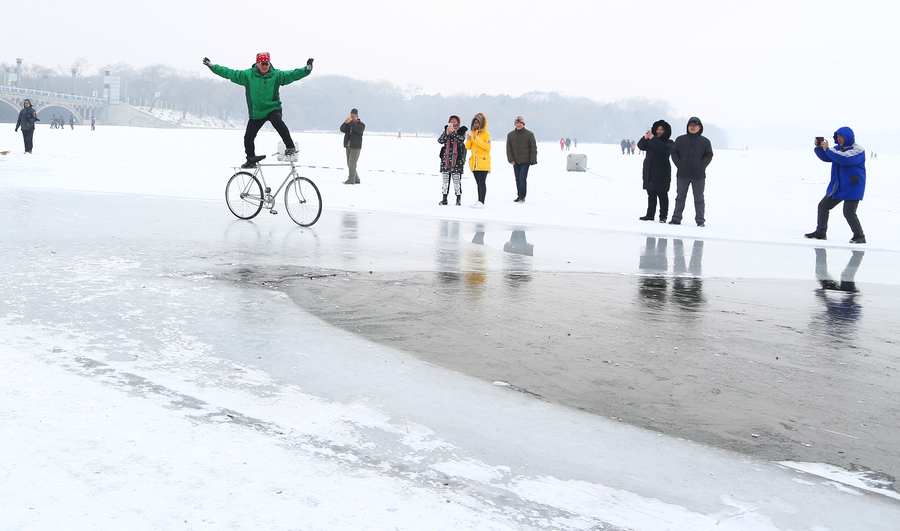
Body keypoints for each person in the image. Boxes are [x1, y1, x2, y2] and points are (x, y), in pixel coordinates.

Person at [204, 52, 313, 169]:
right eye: (262, 63)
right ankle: (251, 160)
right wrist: (213, 67)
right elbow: (229, 73)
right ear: (257, 63)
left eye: (266, 63)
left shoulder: (277, 75)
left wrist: (306, 70)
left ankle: (290, 147)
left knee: (277, 121)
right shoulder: (247, 75)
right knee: (248, 137)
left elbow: (292, 74)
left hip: (273, 107)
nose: (265, 66)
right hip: (257, 112)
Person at [804, 127, 867, 244]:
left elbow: (845, 159)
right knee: (823, 206)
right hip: (839, 186)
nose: (839, 139)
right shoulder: (838, 149)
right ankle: (821, 232)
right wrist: (819, 148)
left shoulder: (858, 150)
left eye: (841, 137)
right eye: (837, 137)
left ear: (848, 137)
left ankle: (859, 236)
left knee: (849, 212)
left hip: (853, 187)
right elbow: (827, 157)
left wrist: (828, 149)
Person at [669, 117, 714, 226]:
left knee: (699, 198)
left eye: (695, 126)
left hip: (698, 175)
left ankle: (700, 220)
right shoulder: (680, 140)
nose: (692, 128)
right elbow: (674, 152)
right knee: (680, 197)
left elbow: (709, 155)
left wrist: (701, 165)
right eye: (690, 125)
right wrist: (680, 164)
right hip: (683, 174)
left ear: (700, 128)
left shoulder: (705, 141)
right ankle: (676, 218)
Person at [636, 120, 674, 222]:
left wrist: (654, 139)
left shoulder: (669, 142)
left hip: (662, 172)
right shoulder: (650, 140)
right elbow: (640, 146)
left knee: (662, 194)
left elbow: (665, 149)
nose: (659, 131)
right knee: (651, 193)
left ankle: (663, 216)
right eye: (657, 129)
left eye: (661, 130)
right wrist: (645, 138)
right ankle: (650, 214)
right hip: (649, 170)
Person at [437, 115, 467, 205]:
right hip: (445, 160)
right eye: (451, 121)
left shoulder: (461, 131)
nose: (453, 123)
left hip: (457, 160)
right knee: (445, 180)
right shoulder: (446, 131)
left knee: (457, 181)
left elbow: (460, 140)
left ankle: (458, 199)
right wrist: (446, 133)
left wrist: (453, 133)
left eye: (455, 122)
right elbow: (440, 141)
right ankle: (444, 198)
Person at [506, 115, 537, 203]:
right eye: (517, 123)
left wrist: (532, 159)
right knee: (517, 178)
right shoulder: (510, 135)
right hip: (515, 161)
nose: (518, 125)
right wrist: (510, 159)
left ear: (523, 124)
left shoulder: (529, 134)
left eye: (520, 123)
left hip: (525, 161)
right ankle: (519, 194)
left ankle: (522, 196)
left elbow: (533, 148)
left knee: (522, 178)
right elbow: (509, 149)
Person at [465, 113, 491, 208]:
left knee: (482, 182)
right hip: (474, 163)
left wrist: (477, 140)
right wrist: (468, 140)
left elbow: (487, 147)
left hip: (483, 162)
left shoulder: (486, 135)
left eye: (478, 123)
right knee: (478, 183)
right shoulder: (473, 134)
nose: (476, 125)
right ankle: (479, 200)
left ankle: (481, 201)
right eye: (474, 123)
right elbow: (468, 147)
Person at [340, 108, 365, 184]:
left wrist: (351, 123)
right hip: (348, 145)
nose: (352, 118)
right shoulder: (349, 124)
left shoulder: (361, 125)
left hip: (355, 146)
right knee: (349, 163)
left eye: (354, 117)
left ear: (357, 117)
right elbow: (342, 129)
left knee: (352, 163)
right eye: (351, 116)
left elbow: (358, 130)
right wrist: (346, 123)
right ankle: (356, 179)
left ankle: (351, 180)